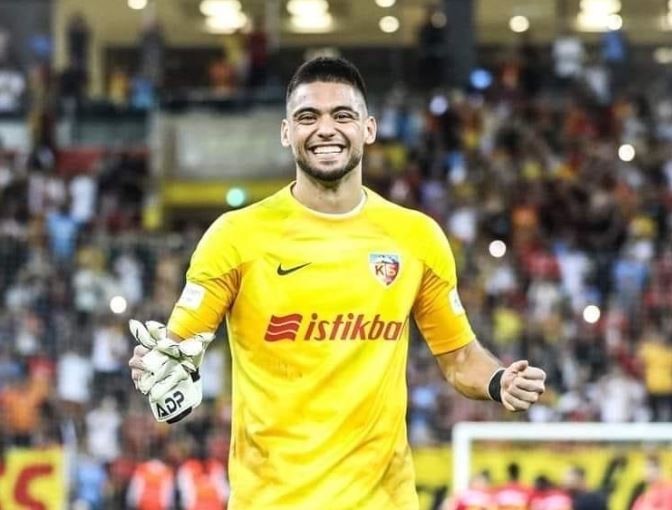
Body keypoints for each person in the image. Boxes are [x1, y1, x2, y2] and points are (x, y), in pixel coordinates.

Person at [128, 56, 546, 510]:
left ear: (369, 128)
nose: (325, 129)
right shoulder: (235, 237)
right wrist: (158, 367)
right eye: (308, 117)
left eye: (342, 115)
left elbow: (460, 357)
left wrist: (498, 380)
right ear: (286, 132)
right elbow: (177, 349)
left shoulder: (416, 237)